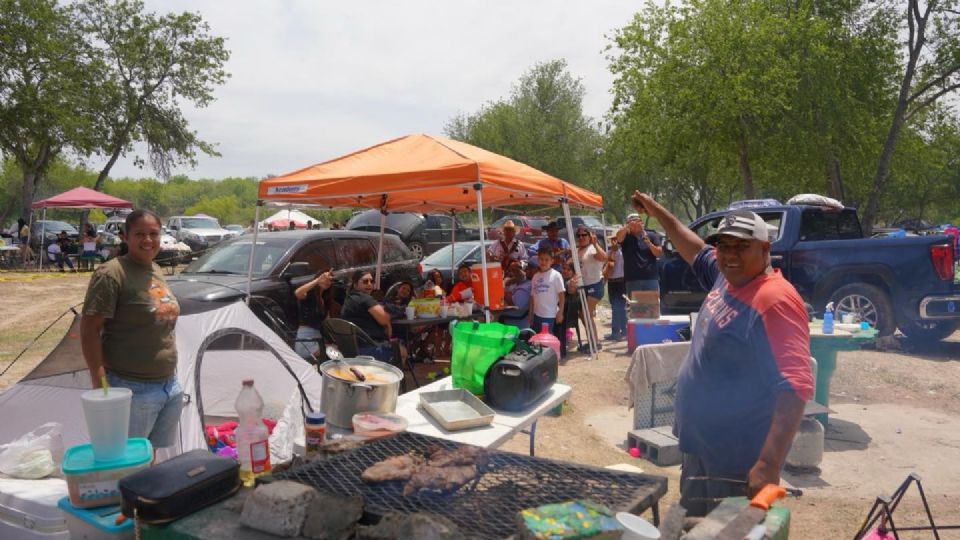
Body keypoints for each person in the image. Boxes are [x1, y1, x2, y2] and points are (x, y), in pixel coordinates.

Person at [630, 192, 813, 517]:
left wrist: (768, 464)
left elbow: (796, 385)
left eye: (742, 246)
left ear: (765, 248)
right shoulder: (727, 277)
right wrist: (657, 212)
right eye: (724, 246)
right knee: (693, 527)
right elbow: (694, 248)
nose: (730, 254)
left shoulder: (775, 300)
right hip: (701, 446)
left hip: (738, 460)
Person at [80, 209, 183, 450]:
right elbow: (89, 331)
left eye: (153, 233)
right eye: (140, 234)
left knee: (151, 460)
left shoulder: (154, 269)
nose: (148, 240)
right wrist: (100, 383)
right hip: (130, 388)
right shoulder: (111, 273)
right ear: (125, 236)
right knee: (126, 463)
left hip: (169, 385)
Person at [341, 270, 395, 360]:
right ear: (355, 284)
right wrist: (388, 323)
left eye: (372, 281)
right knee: (402, 351)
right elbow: (384, 319)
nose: (369, 284)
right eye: (365, 281)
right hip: (369, 349)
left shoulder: (350, 299)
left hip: (352, 349)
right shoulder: (363, 298)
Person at [574, 225, 607, 351]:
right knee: (584, 315)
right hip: (584, 286)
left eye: (584, 235)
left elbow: (604, 257)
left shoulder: (593, 248)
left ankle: (595, 343)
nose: (581, 237)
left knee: (585, 313)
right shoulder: (579, 250)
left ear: (590, 236)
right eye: (579, 235)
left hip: (595, 285)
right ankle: (592, 341)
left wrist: (595, 243)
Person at [293, 270, 338, 361]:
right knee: (334, 353)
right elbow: (297, 293)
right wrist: (317, 280)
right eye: (325, 279)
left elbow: (327, 323)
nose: (327, 282)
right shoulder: (309, 294)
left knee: (336, 350)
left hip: (318, 339)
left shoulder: (325, 300)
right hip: (306, 340)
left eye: (330, 280)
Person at [615, 213, 663, 297]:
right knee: (636, 308)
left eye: (638, 221)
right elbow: (618, 238)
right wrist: (626, 227)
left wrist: (649, 244)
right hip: (633, 279)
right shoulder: (626, 237)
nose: (636, 224)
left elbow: (659, 253)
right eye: (632, 222)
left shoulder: (651, 235)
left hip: (650, 279)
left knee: (651, 308)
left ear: (642, 222)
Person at [528, 246, 565, 333]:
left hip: (549, 315)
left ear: (552, 261)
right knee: (536, 340)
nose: (543, 262)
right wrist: (530, 314)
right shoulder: (535, 276)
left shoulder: (556, 275)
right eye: (541, 259)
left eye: (546, 259)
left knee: (546, 341)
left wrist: (560, 312)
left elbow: (561, 296)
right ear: (538, 260)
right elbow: (532, 297)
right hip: (536, 314)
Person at [603, 236, 627, 340]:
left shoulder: (623, 253)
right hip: (612, 282)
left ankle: (623, 331)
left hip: (621, 282)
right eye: (612, 240)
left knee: (620, 308)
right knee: (615, 307)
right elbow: (608, 265)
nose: (613, 242)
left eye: (615, 240)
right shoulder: (609, 252)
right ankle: (616, 332)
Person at [500, 260, 531, 328]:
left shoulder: (527, 286)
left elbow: (513, 302)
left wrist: (500, 290)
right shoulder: (525, 280)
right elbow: (521, 276)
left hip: (515, 319)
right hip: (510, 312)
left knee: (492, 315)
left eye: (530, 268)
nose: (526, 270)